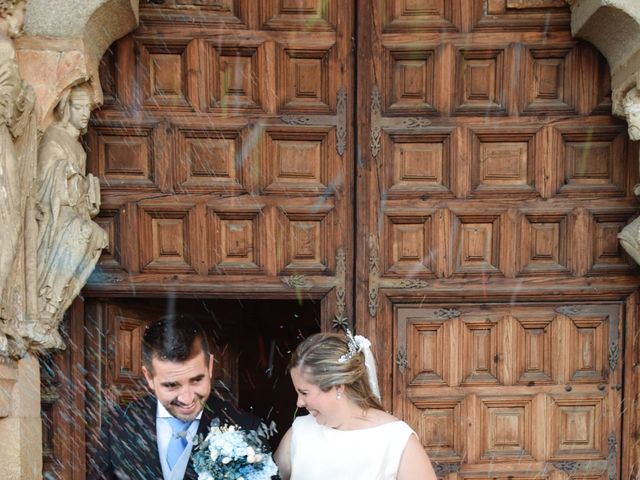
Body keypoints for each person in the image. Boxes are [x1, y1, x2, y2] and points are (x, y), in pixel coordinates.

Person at [92, 315, 264, 480]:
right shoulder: (117, 424)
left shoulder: (246, 427)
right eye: (171, 385)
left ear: (210, 366)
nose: (187, 398)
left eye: (197, 380)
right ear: (149, 377)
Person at [274, 331, 437, 480]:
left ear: (338, 387)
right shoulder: (300, 432)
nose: (299, 402)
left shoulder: (396, 440)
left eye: (305, 393)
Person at [35, 84, 107, 348]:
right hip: (53, 214)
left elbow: (76, 197)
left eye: (88, 108)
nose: (85, 113)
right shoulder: (53, 138)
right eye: (79, 107)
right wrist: (67, 176)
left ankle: (55, 305)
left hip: (70, 212)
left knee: (97, 235)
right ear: (66, 109)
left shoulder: (79, 149)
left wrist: (88, 197)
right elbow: (43, 182)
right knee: (83, 231)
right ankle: (44, 304)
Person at [0, 0, 36, 356]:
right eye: (23, 13)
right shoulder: (5, 49)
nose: (24, 24)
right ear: (7, 11)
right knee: (7, 228)